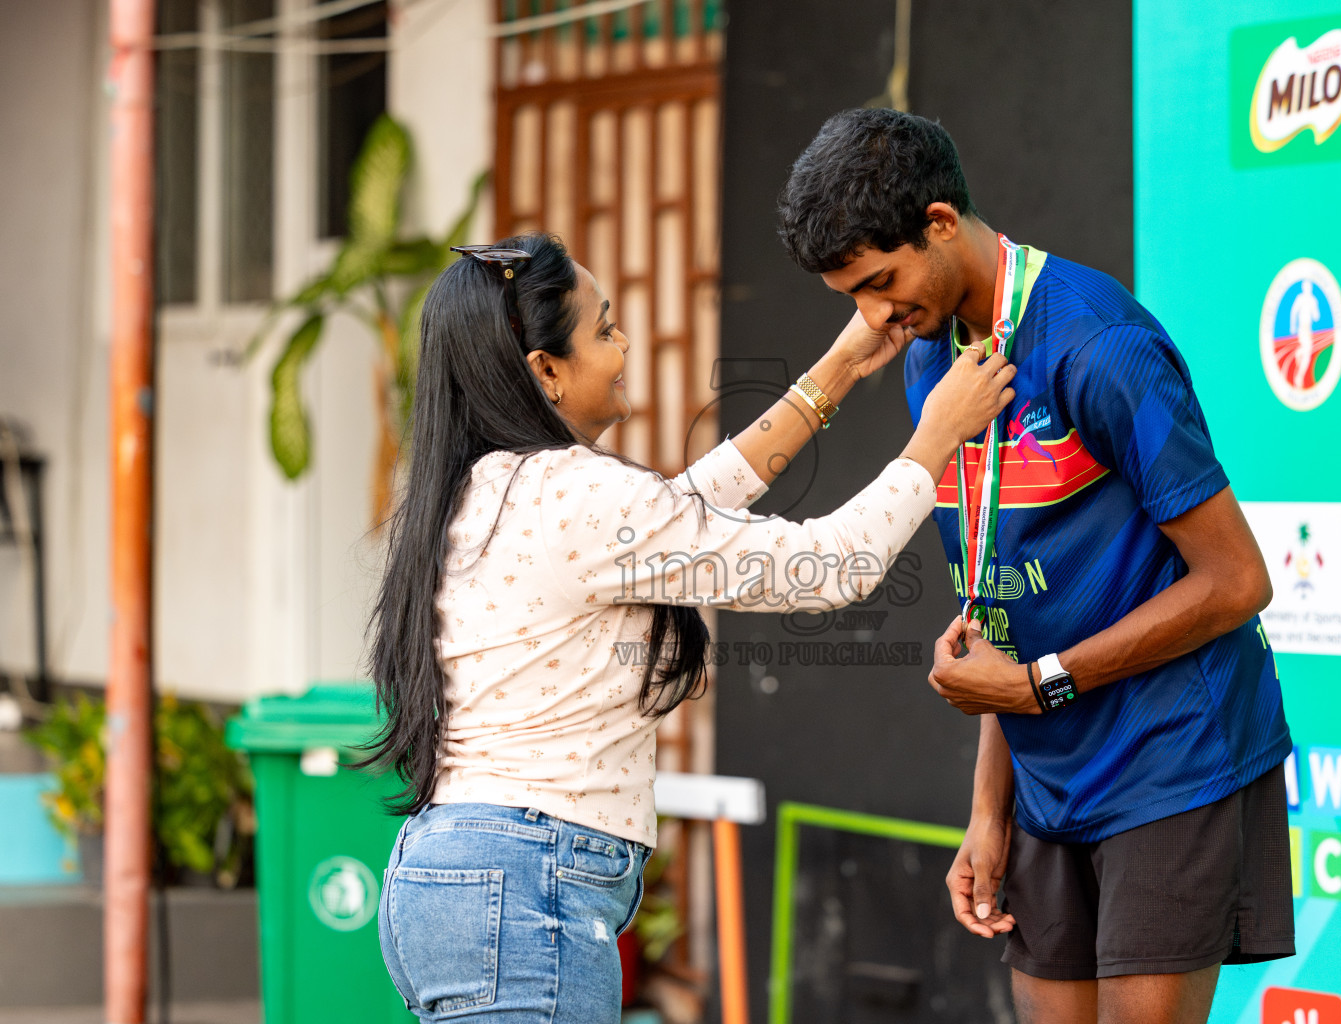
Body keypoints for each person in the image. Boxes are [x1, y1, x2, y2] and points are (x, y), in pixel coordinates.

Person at [364, 231, 1016, 1023]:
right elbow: (831, 565)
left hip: (449, 875)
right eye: (603, 329)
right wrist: (937, 436)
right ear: (546, 373)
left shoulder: (482, 487)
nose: (625, 343)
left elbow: (688, 510)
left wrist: (841, 367)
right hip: (524, 882)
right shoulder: (571, 494)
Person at [777, 109, 1293, 1024]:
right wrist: (988, 810)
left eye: (881, 282)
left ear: (940, 223)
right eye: (851, 296)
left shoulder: (1098, 344)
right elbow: (999, 611)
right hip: (1046, 771)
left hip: (1171, 755)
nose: (875, 316)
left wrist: (1040, 684)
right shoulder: (931, 356)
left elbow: (1237, 582)